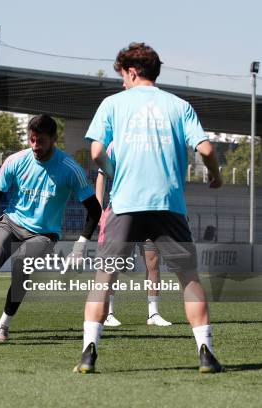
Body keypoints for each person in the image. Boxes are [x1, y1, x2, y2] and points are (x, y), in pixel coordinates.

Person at [74, 42, 223, 374]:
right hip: (168, 205)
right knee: (189, 279)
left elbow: (97, 152)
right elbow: (208, 149)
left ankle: (88, 353)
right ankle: (206, 352)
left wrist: (116, 172)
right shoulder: (179, 105)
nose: (122, 83)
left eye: (122, 77)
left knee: (104, 278)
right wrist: (214, 175)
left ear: (131, 71)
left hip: (126, 203)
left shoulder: (112, 104)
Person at [0, 114, 102, 343]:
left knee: (21, 267)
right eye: (31, 139)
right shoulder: (15, 160)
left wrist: (80, 247)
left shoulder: (70, 169)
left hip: (44, 233)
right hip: (11, 224)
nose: (35, 146)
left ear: (54, 139)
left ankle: (3, 324)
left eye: (40, 141)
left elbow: (94, 209)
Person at [96, 142, 172, 327]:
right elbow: (101, 176)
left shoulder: (157, 143)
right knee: (112, 264)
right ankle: (108, 313)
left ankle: (153, 314)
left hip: (151, 210)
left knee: (152, 261)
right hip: (122, 211)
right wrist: (98, 209)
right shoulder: (115, 145)